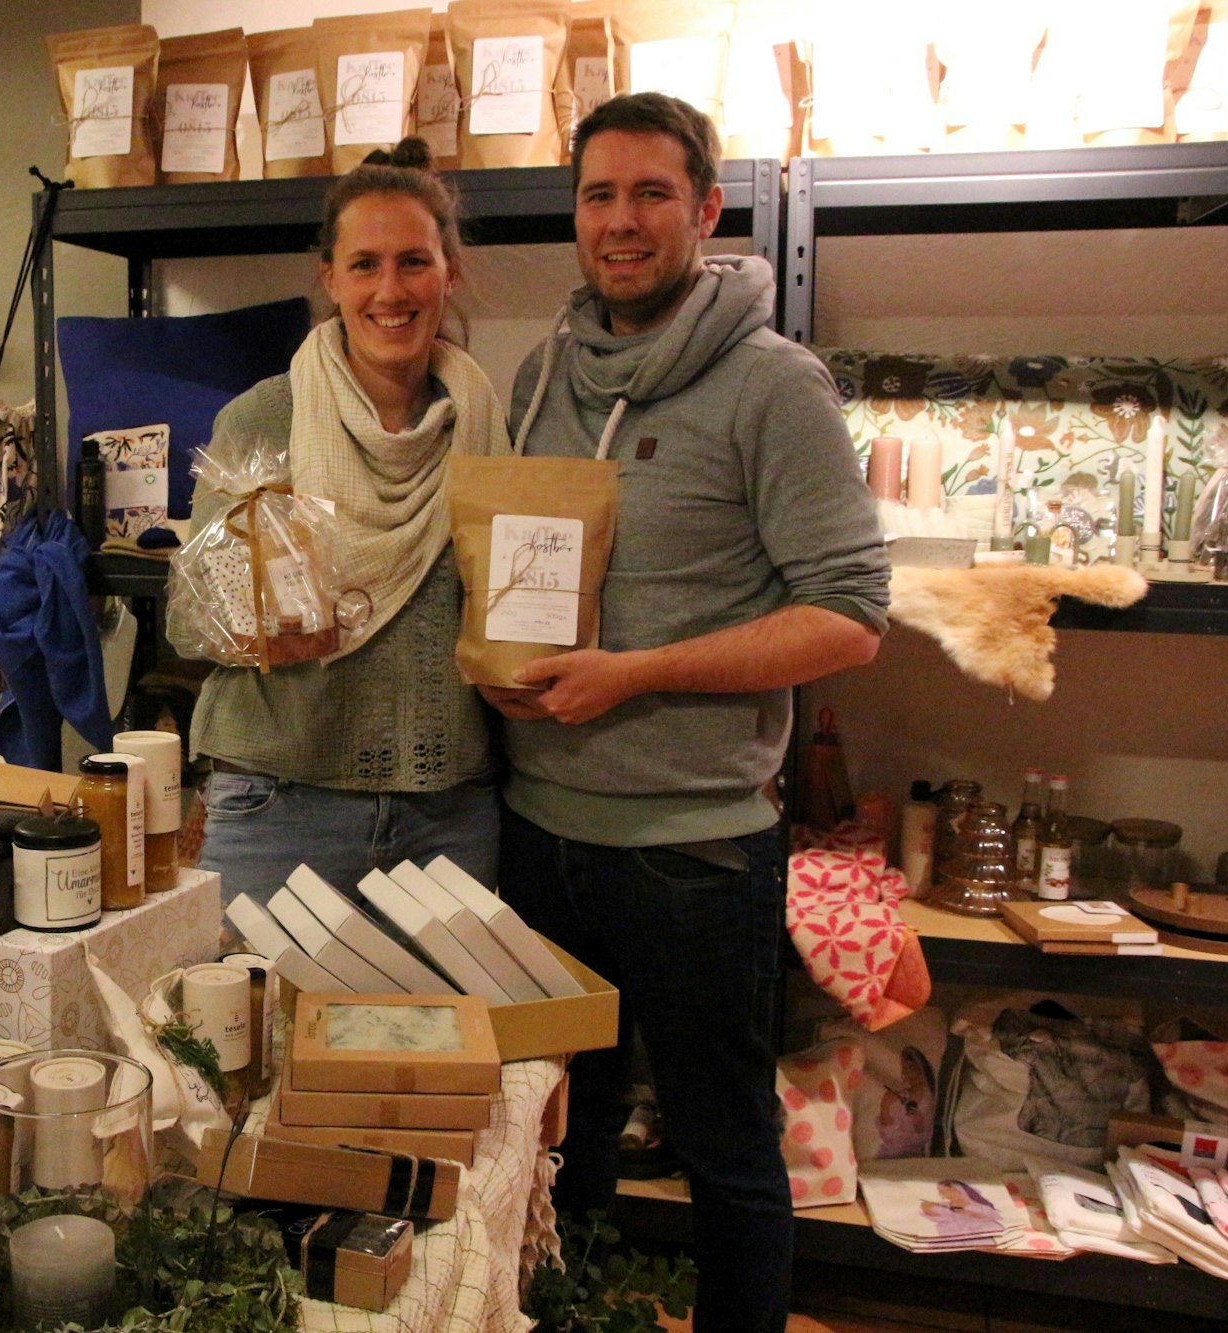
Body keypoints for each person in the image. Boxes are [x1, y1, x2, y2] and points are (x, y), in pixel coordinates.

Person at [486, 94, 891, 1329]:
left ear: (705, 210)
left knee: (723, 1146)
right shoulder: (540, 373)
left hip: (695, 850)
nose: (621, 221)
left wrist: (638, 670)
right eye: (598, 195)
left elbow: (849, 617)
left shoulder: (773, 385)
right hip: (541, 837)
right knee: (567, 1134)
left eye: (651, 193)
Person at [170, 138, 511, 905]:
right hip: (280, 807)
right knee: (259, 1025)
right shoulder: (261, 420)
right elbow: (196, 625)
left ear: (448, 272)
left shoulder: (489, 426)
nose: (390, 289)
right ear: (329, 276)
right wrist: (259, 598)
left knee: (440, 1027)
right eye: (364, 264)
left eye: (414, 261)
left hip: (449, 813)